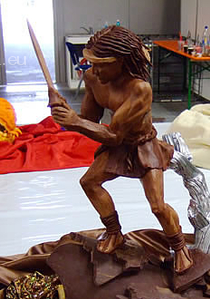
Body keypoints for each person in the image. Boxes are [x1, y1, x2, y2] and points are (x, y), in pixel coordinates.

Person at [50, 25, 193, 274]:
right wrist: (67, 113)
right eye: (92, 62)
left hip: (142, 145)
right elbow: (90, 119)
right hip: (118, 145)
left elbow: (114, 135)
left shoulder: (140, 89)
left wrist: (75, 122)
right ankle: (114, 232)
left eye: (102, 64)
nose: (94, 70)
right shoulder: (93, 78)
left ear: (121, 61)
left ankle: (180, 247)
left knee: (157, 206)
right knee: (89, 182)